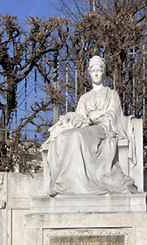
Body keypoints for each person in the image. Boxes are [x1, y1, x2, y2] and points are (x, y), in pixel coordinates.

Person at [46, 55, 138, 197]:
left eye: (99, 70)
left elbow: (114, 116)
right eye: (93, 70)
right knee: (62, 137)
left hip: (102, 129)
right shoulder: (84, 98)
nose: (96, 73)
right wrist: (83, 120)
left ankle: (65, 184)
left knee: (76, 136)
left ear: (103, 72)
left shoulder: (111, 94)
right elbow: (79, 117)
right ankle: (58, 181)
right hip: (86, 128)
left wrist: (98, 118)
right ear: (89, 73)